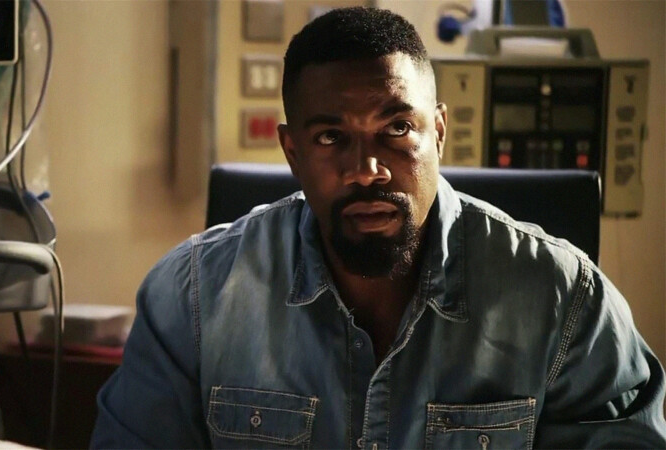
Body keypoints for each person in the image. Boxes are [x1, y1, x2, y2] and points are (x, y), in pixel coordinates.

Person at [91, 7, 666, 448]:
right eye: (330, 137)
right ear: (292, 152)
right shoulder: (192, 298)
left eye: (396, 129)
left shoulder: (564, 299)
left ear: (438, 132)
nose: (367, 169)